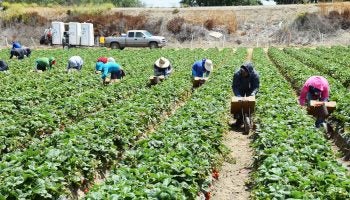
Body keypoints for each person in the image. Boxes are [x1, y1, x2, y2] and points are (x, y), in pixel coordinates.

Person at [231, 62, 260, 127]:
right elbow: (235, 86)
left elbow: (256, 87)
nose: (243, 74)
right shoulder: (237, 74)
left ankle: (248, 117)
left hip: (250, 88)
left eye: (245, 73)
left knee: (249, 102)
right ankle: (239, 120)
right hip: (240, 88)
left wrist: (252, 94)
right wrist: (238, 95)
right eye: (242, 73)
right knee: (238, 102)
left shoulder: (255, 75)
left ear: (249, 72)